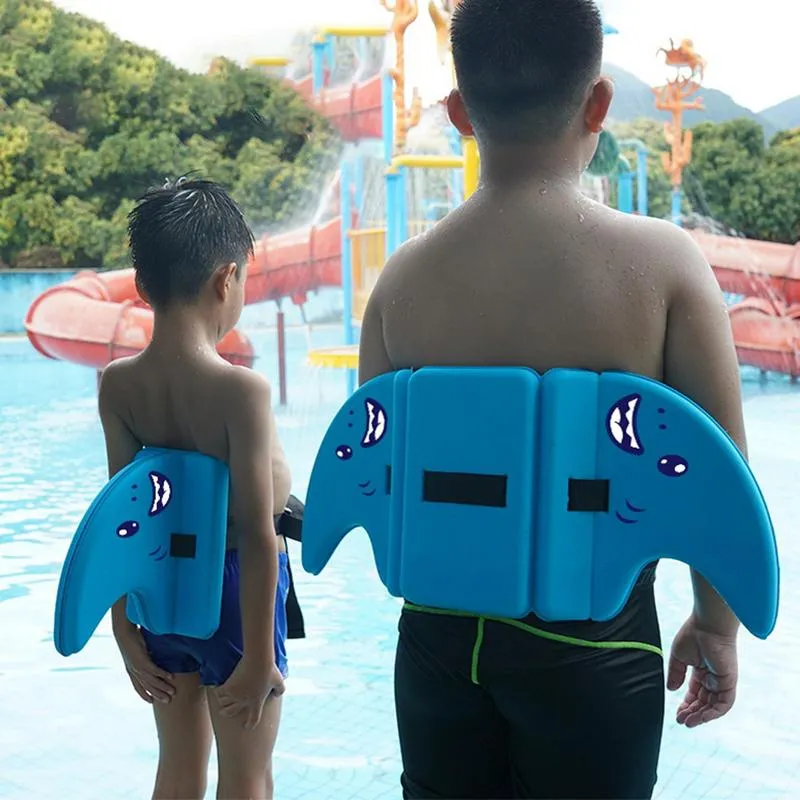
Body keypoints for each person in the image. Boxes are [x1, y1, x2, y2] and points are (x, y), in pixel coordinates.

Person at [357, 1, 742, 798]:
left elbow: (376, 477)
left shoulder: (398, 284)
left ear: (460, 114)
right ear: (598, 103)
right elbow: (717, 475)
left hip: (436, 645)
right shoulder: (664, 265)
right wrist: (717, 622)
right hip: (594, 646)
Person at [98, 177, 294, 800]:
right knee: (247, 776)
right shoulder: (241, 390)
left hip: (159, 591)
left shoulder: (118, 385)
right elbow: (258, 535)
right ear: (225, 279)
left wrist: (125, 632)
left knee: (178, 770)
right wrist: (259, 657)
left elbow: (122, 523)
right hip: (236, 598)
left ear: (142, 285)